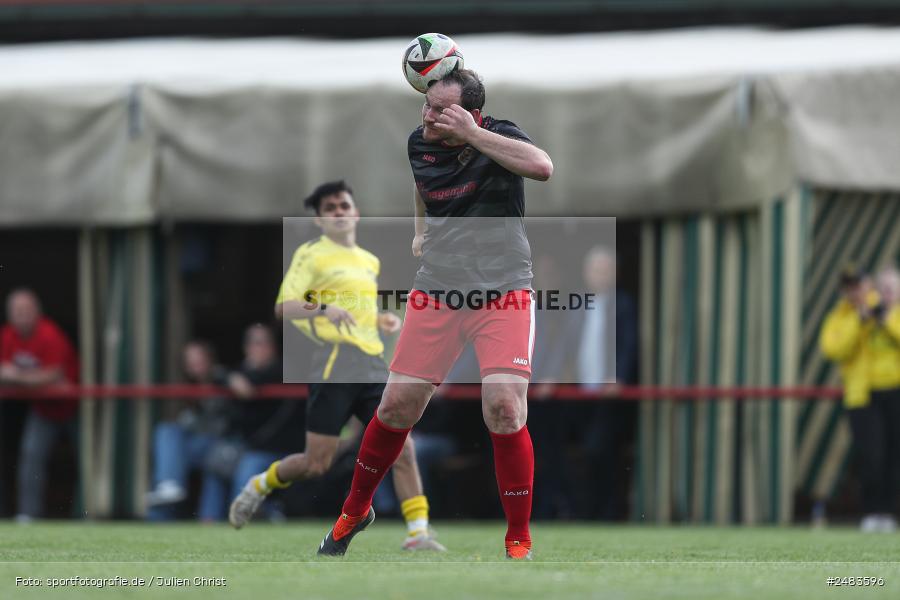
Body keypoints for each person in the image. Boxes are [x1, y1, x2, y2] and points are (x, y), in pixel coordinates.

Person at [317, 69, 553, 559]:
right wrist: (420, 230)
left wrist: (470, 133)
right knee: (395, 407)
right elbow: (423, 184)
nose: (428, 115)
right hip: (439, 291)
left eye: (440, 110)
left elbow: (542, 167)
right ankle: (355, 511)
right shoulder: (419, 143)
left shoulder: (500, 134)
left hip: (503, 290)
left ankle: (518, 540)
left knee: (505, 407)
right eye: (426, 105)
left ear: (469, 114)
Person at [229, 180, 444, 551]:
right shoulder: (312, 255)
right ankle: (260, 484)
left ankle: (418, 533)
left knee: (402, 446)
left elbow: (359, 310)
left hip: (373, 365)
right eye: (330, 208)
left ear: (356, 212)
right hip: (334, 364)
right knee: (317, 463)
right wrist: (327, 308)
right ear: (319, 220)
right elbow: (284, 307)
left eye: (344, 205)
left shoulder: (367, 260)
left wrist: (380, 320)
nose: (339, 212)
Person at [533, 247, 638, 520]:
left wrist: (620, 378)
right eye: (595, 270)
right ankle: (579, 510)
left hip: (608, 395)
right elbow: (564, 347)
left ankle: (608, 514)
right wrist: (552, 377)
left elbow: (629, 345)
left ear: (615, 273)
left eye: (605, 270)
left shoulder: (624, 304)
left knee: (601, 452)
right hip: (579, 394)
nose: (599, 276)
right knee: (566, 452)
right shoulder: (577, 304)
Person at [820, 265, 900, 532]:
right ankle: (871, 512)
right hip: (862, 396)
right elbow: (834, 349)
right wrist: (859, 320)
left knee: (893, 455)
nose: (855, 291)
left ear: (869, 285)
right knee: (871, 456)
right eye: (849, 287)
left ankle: (889, 513)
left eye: (859, 285)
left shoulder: (890, 309)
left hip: (894, 391)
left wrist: (884, 318)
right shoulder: (841, 316)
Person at [208, 323, 304, 521]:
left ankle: (265, 513)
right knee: (214, 463)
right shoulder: (240, 371)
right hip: (245, 446)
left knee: (247, 473)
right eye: (253, 343)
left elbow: (253, 383)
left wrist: (238, 379)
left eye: (263, 343)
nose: (258, 348)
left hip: (278, 450)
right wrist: (231, 377)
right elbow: (217, 375)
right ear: (246, 348)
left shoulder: (282, 370)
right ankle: (207, 521)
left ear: (273, 347)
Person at [0, 288, 79, 522]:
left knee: (86, 460)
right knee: (31, 456)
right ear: (9, 314)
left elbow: (54, 375)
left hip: (75, 407)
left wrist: (15, 376)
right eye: (17, 311)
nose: (22, 315)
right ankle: (28, 514)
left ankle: (89, 513)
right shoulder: (7, 336)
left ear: (38, 312)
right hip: (44, 408)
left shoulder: (50, 334)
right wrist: (35, 378)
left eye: (27, 310)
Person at [145, 340, 232, 521]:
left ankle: (208, 520)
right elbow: (186, 424)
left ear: (210, 359)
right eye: (190, 361)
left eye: (199, 360)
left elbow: (225, 422)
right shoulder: (188, 386)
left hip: (223, 446)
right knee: (166, 434)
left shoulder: (223, 378)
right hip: (197, 445)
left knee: (209, 467)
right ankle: (165, 497)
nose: (195, 365)